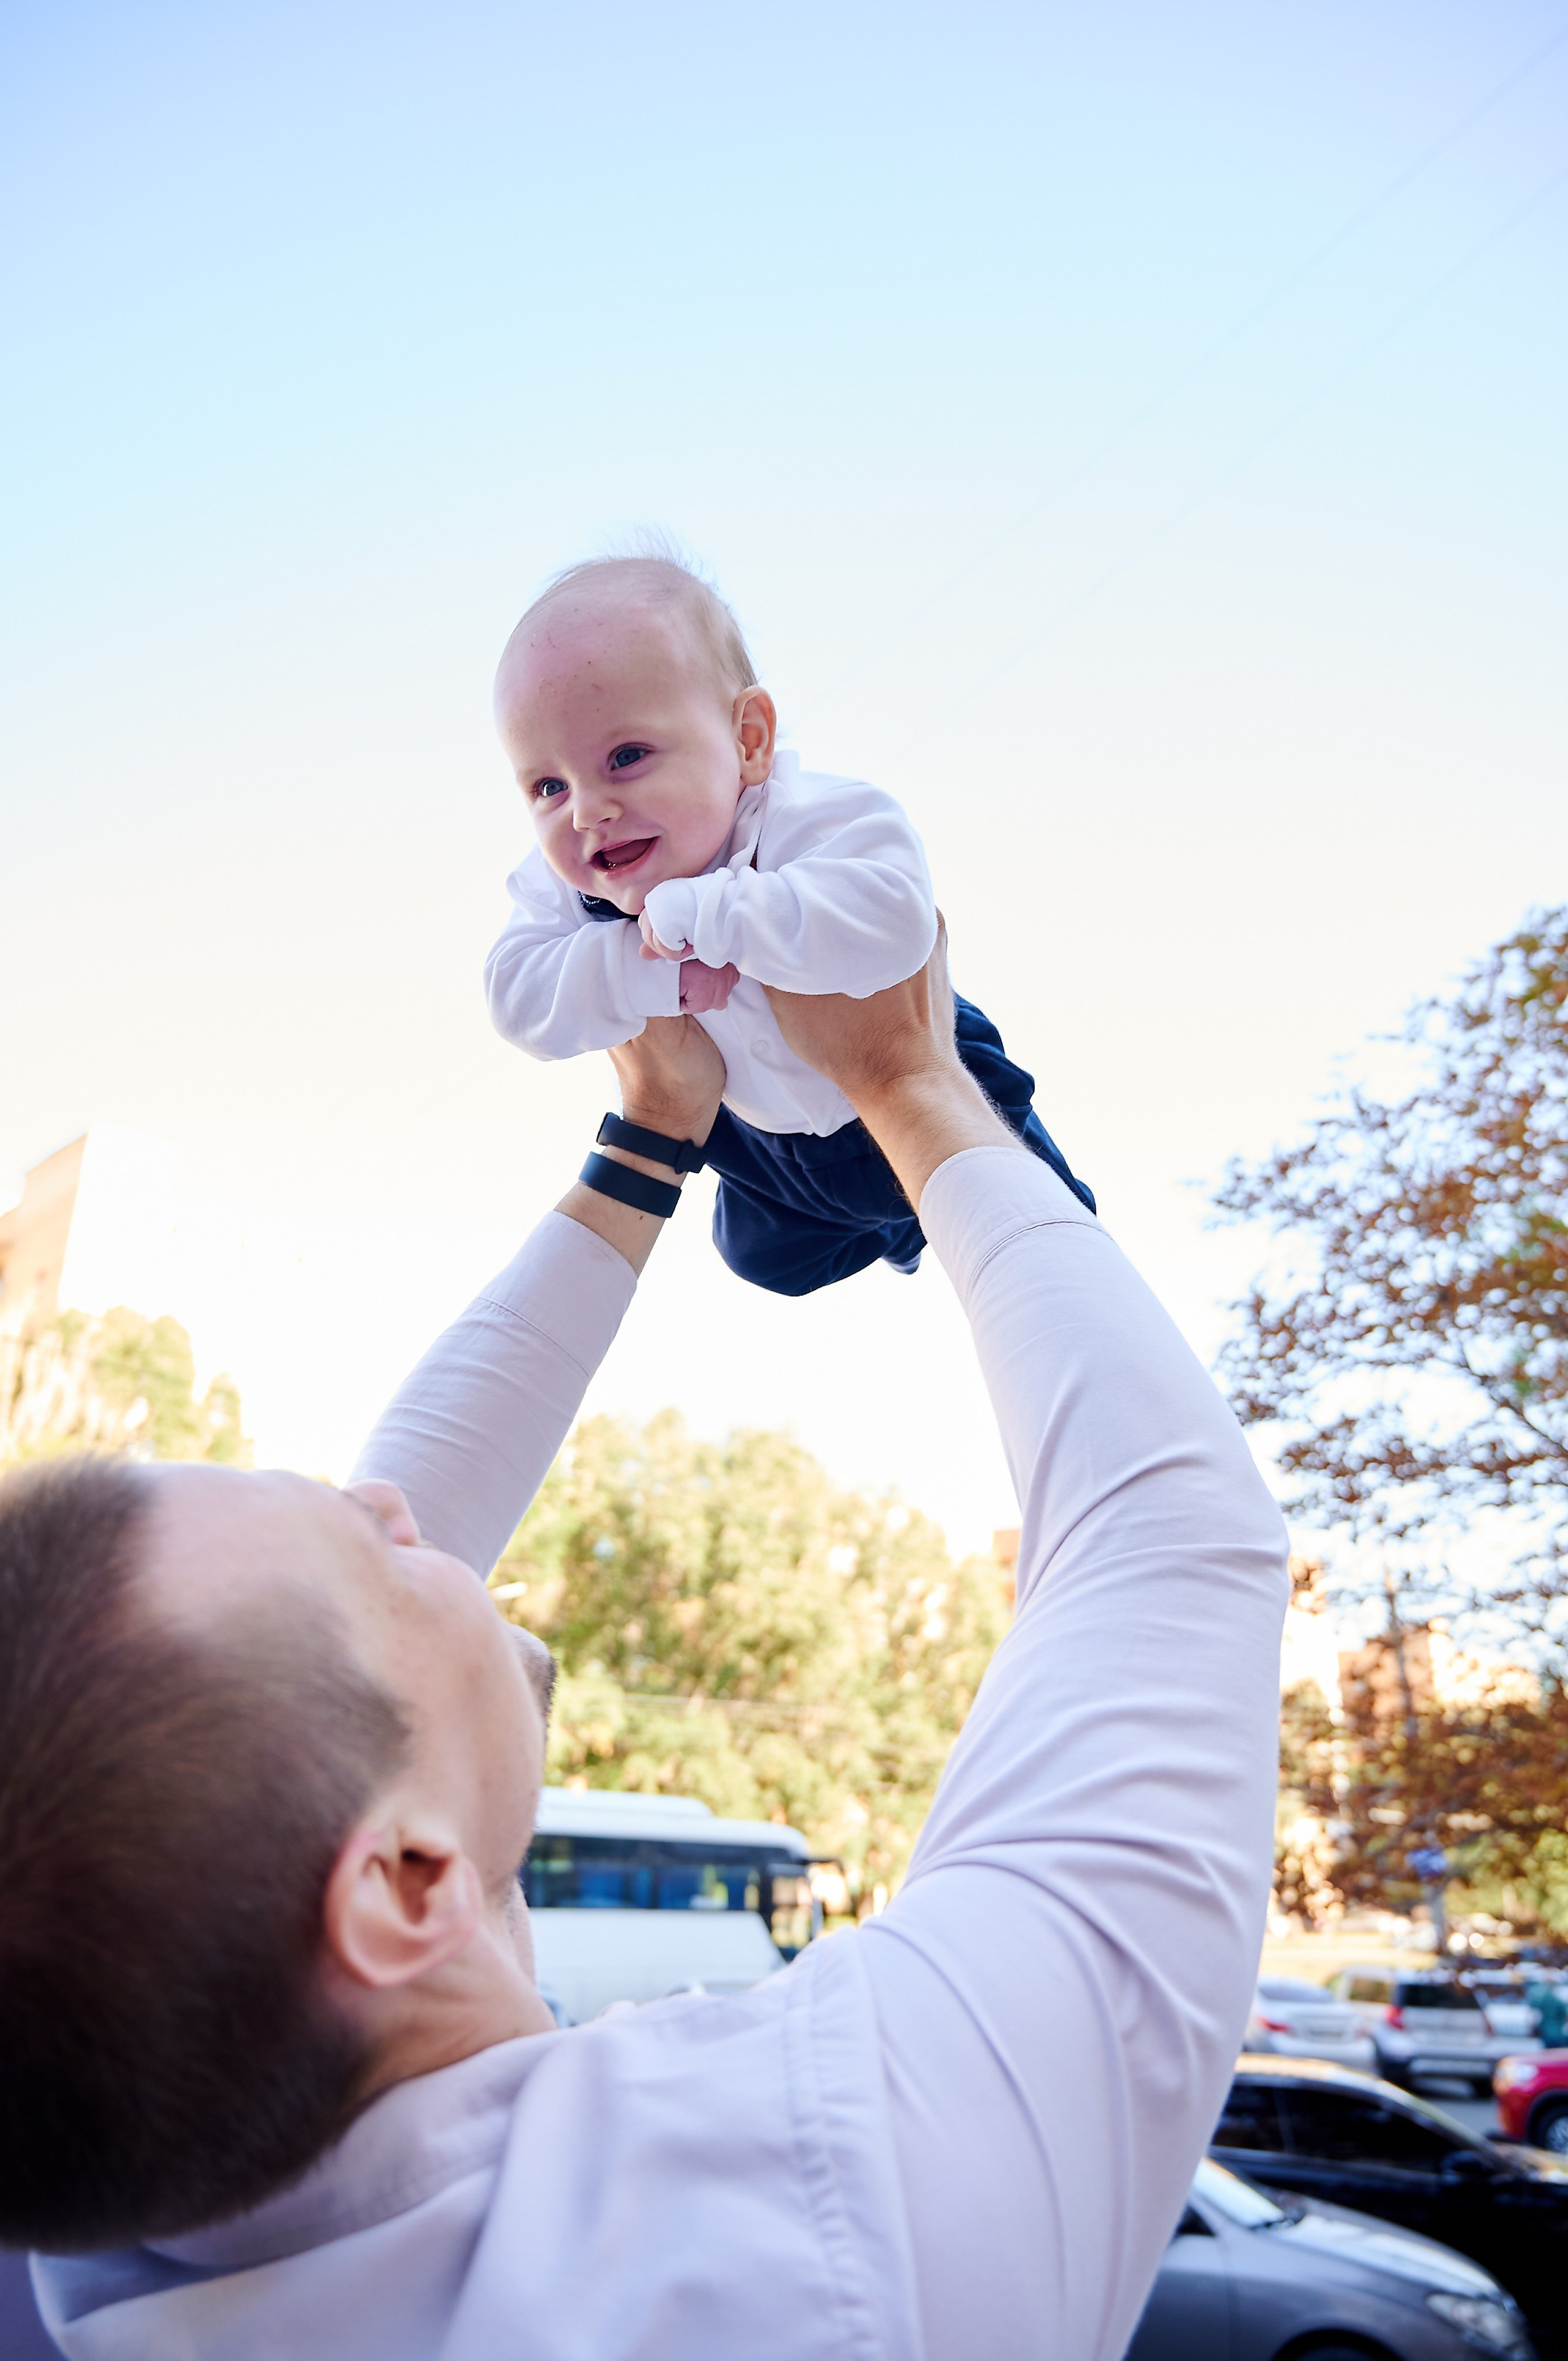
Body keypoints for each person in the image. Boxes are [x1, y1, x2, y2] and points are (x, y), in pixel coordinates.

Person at [4, 943, 1287, 2360]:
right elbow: (1168, 1537)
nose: (389, 1502)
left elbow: (299, 1680)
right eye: (365, 1546)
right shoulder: (837, 2203)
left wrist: (651, 1133)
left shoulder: (99, 2189)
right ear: (404, 1876)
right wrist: (907, 1081)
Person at [484, 551, 1095, 1295]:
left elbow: (898, 920)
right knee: (762, 1258)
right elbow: (515, 998)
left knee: (1045, 1222)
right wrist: (653, 968)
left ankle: (965, 1228)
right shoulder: (566, 886)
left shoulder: (808, 819)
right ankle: (901, 1233)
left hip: (915, 1077)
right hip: (762, 1144)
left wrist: (706, 915)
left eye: (627, 756)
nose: (587, 811)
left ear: (748, 740)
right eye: (548, 785)